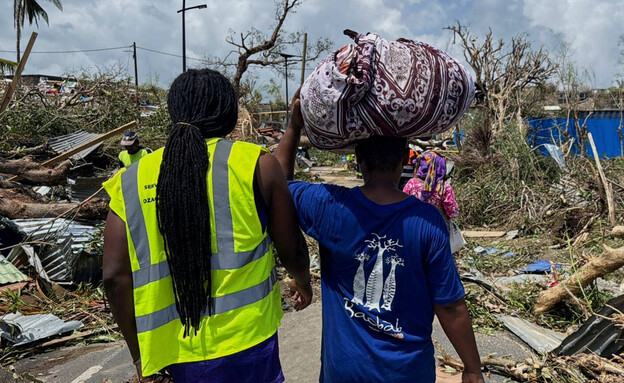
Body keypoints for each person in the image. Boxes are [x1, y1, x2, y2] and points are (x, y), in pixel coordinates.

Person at [102, 69, 312, 383]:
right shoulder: (253, 163)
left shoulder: (130, 180)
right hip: (247, 342)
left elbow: (114, 277)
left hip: (171, 353)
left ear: (174, 114)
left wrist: (140, 357)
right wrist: (303, 280)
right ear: (229, 116)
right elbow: (291, 248)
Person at [274, 91, 484, 383]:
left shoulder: (329, 206)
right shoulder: (427, 221)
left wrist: (295, 126)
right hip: (406, 373)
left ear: (358, 157)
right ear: (404, 156)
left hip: (344, 373)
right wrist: (472, 368)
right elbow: (449, 305)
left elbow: (276, 186)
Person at [402, 151, 460, 221]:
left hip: (414, 224)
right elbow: (453, 212)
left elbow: (403, 205)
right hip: (438, 226)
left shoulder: (411, 184)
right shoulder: (443, 187)